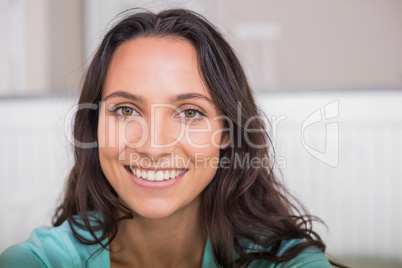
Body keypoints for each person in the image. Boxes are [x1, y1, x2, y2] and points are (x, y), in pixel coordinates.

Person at [0, 8, 345, 268]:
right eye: (125, 110)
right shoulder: (36, 261)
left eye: (190, 113)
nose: (153, 147)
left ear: (227, 131)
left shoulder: (287, 262)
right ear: (95, 126)